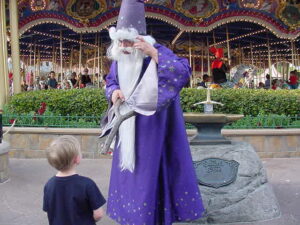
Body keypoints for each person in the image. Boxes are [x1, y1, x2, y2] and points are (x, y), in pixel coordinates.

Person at [101, 0, 204, 224]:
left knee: (148, 175)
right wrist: (113, 91)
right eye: (121, 41)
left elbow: (183, 72)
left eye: (128, 40)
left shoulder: (156, 51)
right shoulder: (118, 60)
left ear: (140, 39)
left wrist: (155, 54)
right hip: (127, 128)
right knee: (130, 175)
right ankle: (130, 217)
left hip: (155, 129)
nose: (125, 45)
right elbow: (110, 82)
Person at [43, 135, 106, 225]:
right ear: (76, 159)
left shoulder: (49, 185)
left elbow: (48, 211)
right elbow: (98, 214)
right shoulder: (87, 184)